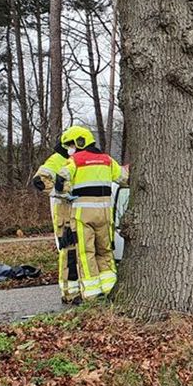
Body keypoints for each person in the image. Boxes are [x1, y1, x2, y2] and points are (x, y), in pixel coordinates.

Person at [56, 126, 129, 300]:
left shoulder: (75, 161)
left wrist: (65, 194)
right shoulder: (107, 160)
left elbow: (61, 180)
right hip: (105, 215)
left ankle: (92, 293)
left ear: (79, 142)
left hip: (82, 216)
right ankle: (110, 288)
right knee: (105, 251)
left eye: (71, 145)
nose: (70, 149)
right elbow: (124, 178)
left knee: (86, 253)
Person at [32, 140, 80, 303]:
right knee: (69, 253)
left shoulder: (76, 160)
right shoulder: (57, 159)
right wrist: (59, 193)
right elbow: (39, 181)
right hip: (63, 214)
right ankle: (69, 293)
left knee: (77, 253)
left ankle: (76, 290)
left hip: (76, 213)